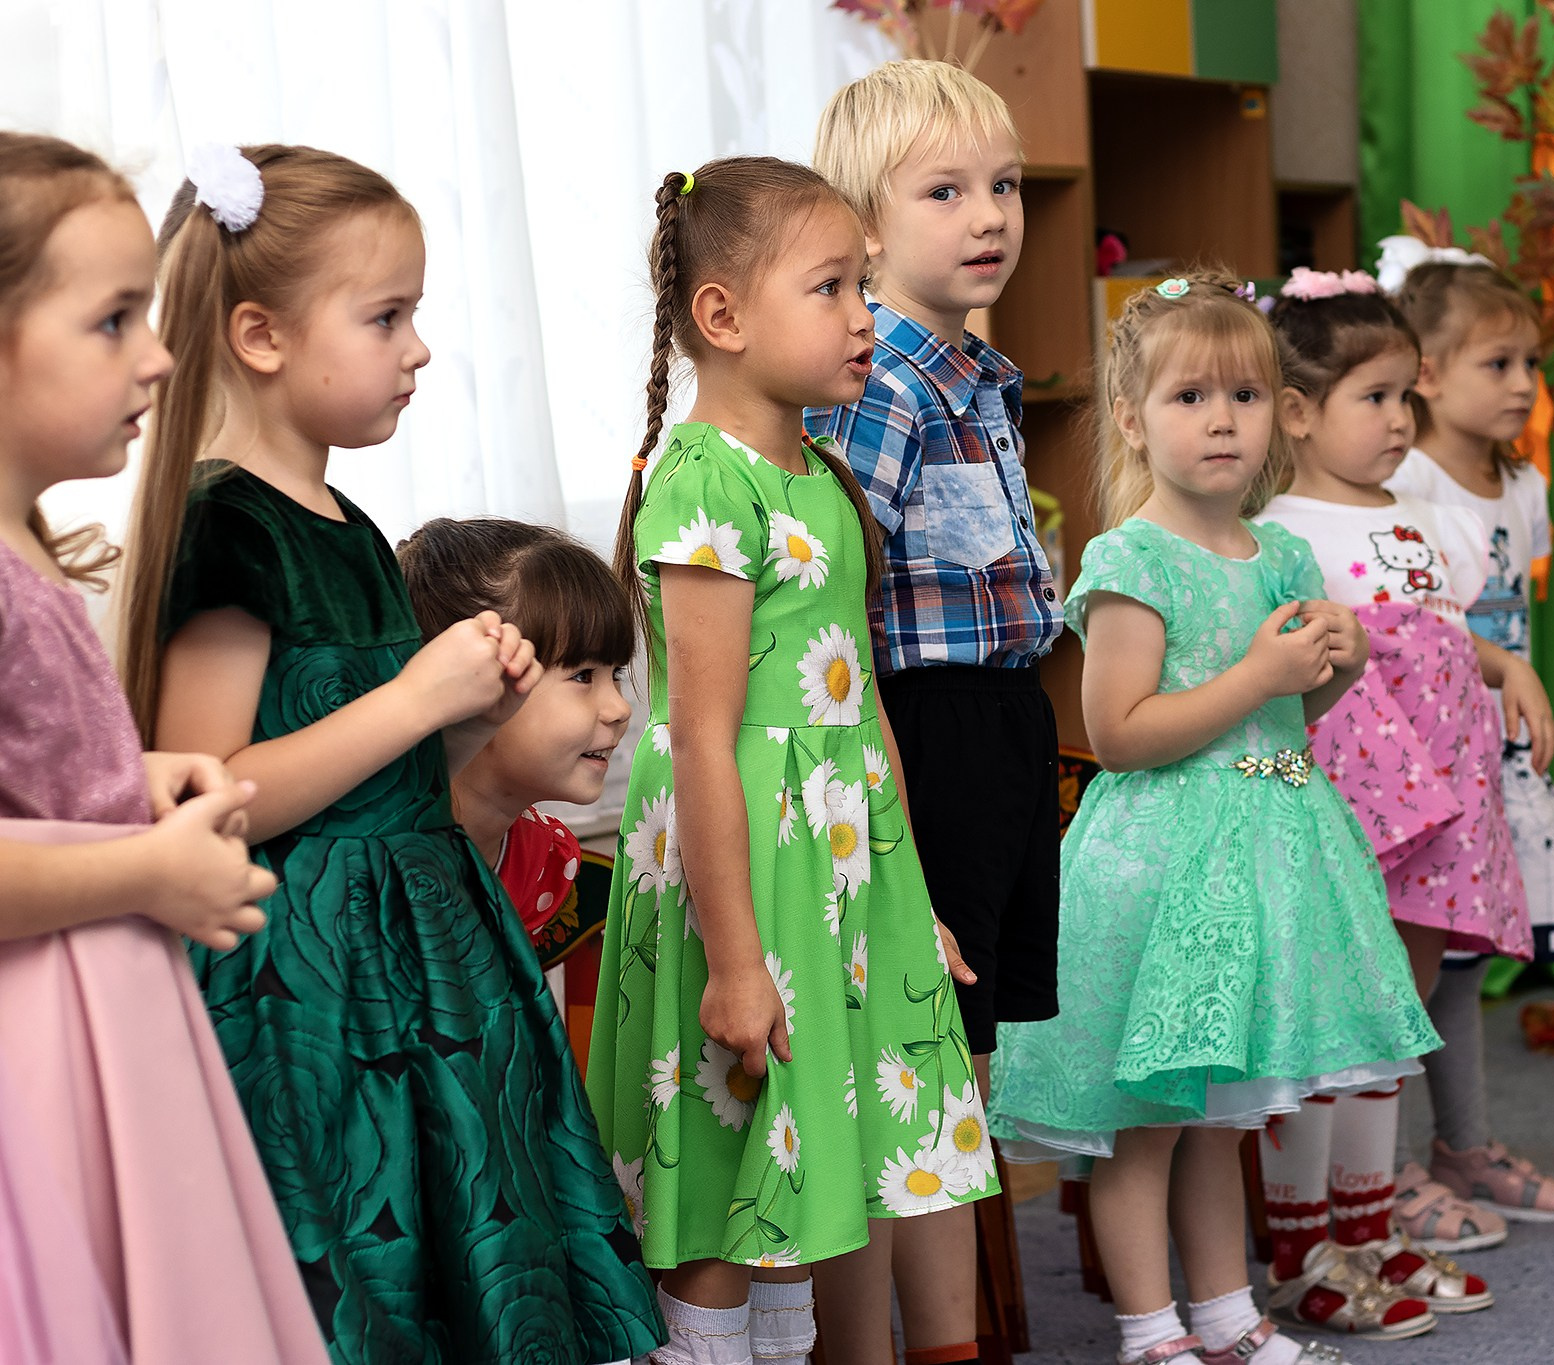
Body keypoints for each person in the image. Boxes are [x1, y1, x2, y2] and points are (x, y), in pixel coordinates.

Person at [120, 142, 664, 1365]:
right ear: (260, 336)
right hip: (310, 983)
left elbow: (360, 752)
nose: (417, 348)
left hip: (418, 960)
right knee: (363, 1284)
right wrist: (418, 698)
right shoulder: (229, 526)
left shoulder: (348, 524)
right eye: (385, 317)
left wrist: (463, 714)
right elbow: (211, 796)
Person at [992, 274, 1444, 1363]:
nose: (1222, 420)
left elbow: (1281, 716)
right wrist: (1258, 674)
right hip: (1165, 872)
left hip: (1266, 859)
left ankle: (1229, 1316)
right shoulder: (1130, 560)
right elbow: (1118, 733)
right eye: (1189, 397)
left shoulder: (1280, 554)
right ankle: (1151, 1334)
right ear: (1132, 420)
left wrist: (1334, 670)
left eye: (1244, 395)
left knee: (1217, 1124)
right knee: (1148, 1127)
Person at [591, 156, 994, 1365]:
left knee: (805, 1146)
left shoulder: (821, 477)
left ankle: (777, 1344)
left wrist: (909, 899)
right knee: (731, 1142)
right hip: (746, 868)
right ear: (720, 316)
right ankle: (705, 1347)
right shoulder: (701, 479)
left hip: (839, 862)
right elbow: (703, 737)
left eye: (862, 288)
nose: (863, 318)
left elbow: (858, 712)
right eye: (831, 289)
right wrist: (732, 959)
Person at [0, 128, 328, 1365]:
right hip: (40, 1052)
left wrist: (122, 784)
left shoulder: (27, 542)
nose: (157, 354)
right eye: (111, 321)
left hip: (110, 1016)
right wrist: (144, 868)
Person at [806, 58, 1062, 1365]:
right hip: (927, 729)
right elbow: (837, 599)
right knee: (926, 1047)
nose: (991, 216)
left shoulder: (982, 375)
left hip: (1008, 717)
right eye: (946, 191)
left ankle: (956, 1332)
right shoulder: (877, 385)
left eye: (1004, 187)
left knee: (972, 1049)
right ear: (864, 226)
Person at [1258, 268, 1528, 1325]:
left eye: (1406, 396)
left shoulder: (1418, 514)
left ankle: (1369, 1225)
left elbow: (1445, 637)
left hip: (1442, 798)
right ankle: (1304, 1238)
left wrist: (1509, 669)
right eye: (1373, 397)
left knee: (1393, 1013)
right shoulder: (1284, 529)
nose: (1399, 419)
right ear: (1298, 413)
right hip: (1352, 807)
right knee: (1331, 1015)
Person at [1383, 242, 1554, 1237]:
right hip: (1422, 755)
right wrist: (1502, 670)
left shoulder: (1523, 485)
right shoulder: (1404, 486)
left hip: (1495, 757)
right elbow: (1416, 625)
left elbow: (1512, 607)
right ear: (1426, 374)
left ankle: (1461, 1148)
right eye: (1497, 363)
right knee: (1406, 958)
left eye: (1531, 363)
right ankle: (1377, 1174)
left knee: (1462, 960)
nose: (1522, 383)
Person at [396, 516, 634, 1014]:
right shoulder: (379, 856)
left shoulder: (541, 859)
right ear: (474, 680)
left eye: (616, 674)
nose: (619, 709)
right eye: (583, 675)